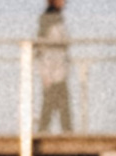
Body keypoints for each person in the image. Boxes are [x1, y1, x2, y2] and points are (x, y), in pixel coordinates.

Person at [34, 0, 75, 135]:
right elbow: (40, 46)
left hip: (58, 66)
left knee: (56, 100)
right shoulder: (49, 20)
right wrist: (45, 72)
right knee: (54, 100)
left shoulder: (57, 19)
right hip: (51, 66)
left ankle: (49, 129)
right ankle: (62, 130)